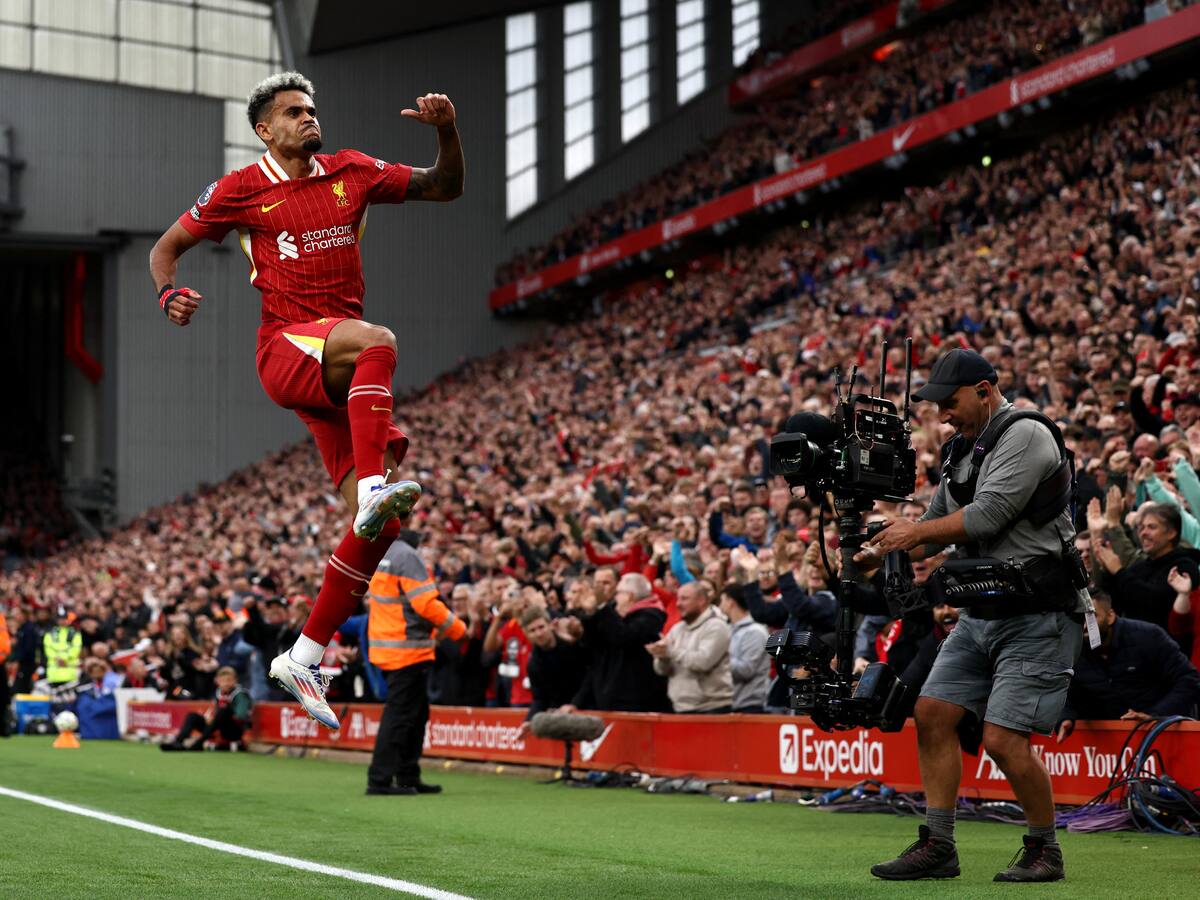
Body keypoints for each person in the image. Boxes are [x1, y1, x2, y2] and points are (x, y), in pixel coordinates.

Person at [148, 71, 464, 729]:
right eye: (294, 111)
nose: (308, 117)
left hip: (336, 367)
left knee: (382, 529)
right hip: (288, 349)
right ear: (265, 129)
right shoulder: (239, 189)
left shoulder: (351, 171)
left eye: (312, 109)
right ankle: (376, 482)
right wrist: (167, 292)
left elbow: (445, 186)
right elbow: (166, 248)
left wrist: (446, 132)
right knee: (379, 340)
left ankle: (305, 654)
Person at [859, 348, 1088, 883]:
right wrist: (874, 549)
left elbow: (987, 517)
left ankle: (1045, 849)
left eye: (951, 402)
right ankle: (938, 845)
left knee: (1004, 741)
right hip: (983, 611)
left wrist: (911, 534)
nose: (943, 415)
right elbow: (935, 524)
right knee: (933, 713)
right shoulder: (966, 447)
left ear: (986, 389)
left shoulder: (1026, 432)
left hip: (1040, 612)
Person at [364, 529, 465, 795]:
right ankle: (380, 779)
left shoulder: (383, 554)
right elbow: (425, 605)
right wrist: (458, 629)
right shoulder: (408, 557)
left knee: (415, 715)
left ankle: (407, 775)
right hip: (407, 650)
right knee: (400, 717)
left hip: (390, 647)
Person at [1056, 593, 1200, 739]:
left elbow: (1189, 679)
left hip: (1163, 734)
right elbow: (1065, 690)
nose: (1085, 625)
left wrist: (1155, 715)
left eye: (1091, 617)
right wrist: (1065, 716)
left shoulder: (1149, 636)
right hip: (1108, 746)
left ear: (1111, 616)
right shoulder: (1073, 650)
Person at [645, 581, 733, 713]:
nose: (678, 604)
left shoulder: (717, 627)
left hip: (712, 709)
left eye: (684, 599)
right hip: (680, 707)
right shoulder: (677, 629)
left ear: (701, 600)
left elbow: (703, 662)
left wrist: (670, 651)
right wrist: (661, 657)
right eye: (678, 598)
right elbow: (661, 671)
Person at [517, 606, 588, 736]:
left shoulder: (571, 644)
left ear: (550, 625)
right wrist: (528, 721)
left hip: (588, 708)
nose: (538, 633)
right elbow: (539, 698)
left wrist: (575, 704)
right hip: (561, 716)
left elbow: (589, 677)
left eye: (541, 627)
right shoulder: (534, 664)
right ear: (527, 635)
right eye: (532, 630)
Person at [161, 666, 253, 751]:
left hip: (234, 730)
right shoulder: (219, 693)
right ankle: (178, 741)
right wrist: (212, 718)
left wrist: (218, 717)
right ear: (217, 681)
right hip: (218, 727)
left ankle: (199, 743)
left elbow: (241, 716)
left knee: (224, 711)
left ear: (235, 681)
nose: (226, 684)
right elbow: (216, 712)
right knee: (192, 716)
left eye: (229, 680)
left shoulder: (240, 695)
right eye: (223, 681)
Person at [716, 584, 769, 712]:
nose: (719, 606)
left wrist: (718, 659)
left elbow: (746, 670)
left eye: (722, 600)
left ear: (730, 602)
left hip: (749, 706)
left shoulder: (755, 632)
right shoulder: (728, 629)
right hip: (730, 704)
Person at [42, 606, 82, 690]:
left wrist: (64, 658)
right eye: (60, 619)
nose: (62, 621)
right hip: (54, 673)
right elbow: (48, 648)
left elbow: (76, 648)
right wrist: (56, 658)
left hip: (70, 672)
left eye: (64, 618)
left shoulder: (75, 633)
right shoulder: (50, 633)